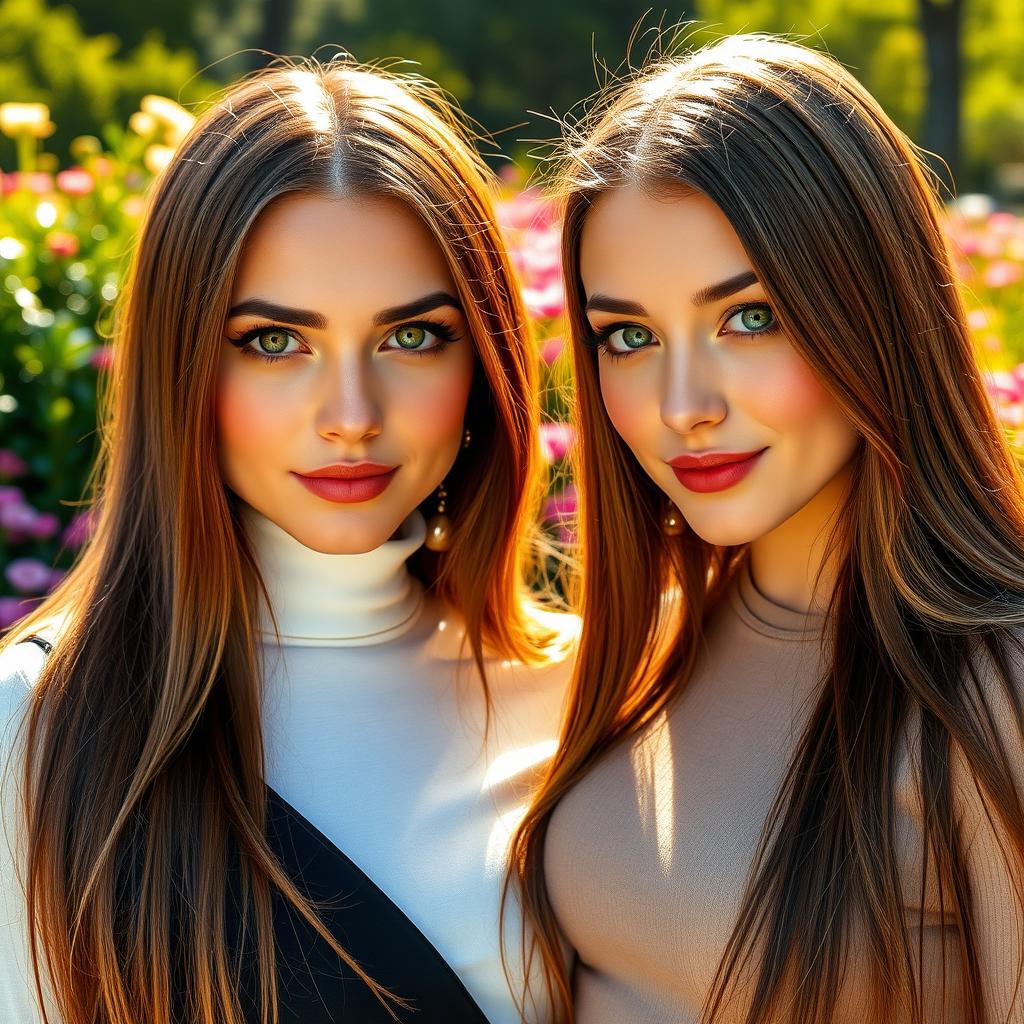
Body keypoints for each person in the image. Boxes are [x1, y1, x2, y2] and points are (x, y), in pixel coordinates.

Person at [0, 56, 574, 1024]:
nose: (350, 415)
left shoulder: (595, 692)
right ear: (181, 367)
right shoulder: (42, 726)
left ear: (484, 359)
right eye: (274, 341)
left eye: (412, 337)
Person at [507, 33, 1024, 1024]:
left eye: (748, 317)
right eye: (629, 336)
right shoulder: (653, 641)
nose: (681, 403)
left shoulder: (986, 685)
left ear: (869, 305)